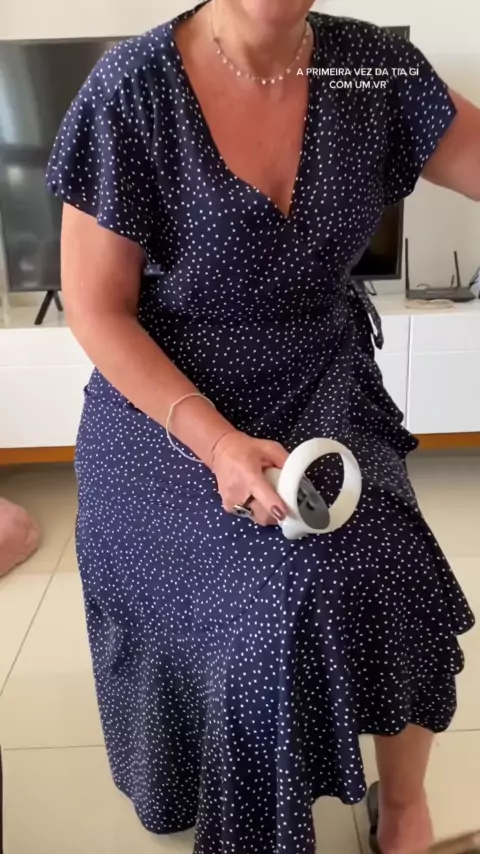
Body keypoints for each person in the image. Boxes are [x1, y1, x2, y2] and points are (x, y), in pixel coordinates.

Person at [46, 1, 479, 852]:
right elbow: (96, 311)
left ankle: (403, 808)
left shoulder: (368, 67)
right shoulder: (132, 89)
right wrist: (216, 443)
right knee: (270, 607)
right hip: (167, 406)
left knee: (393, 561)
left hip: (321, 380)